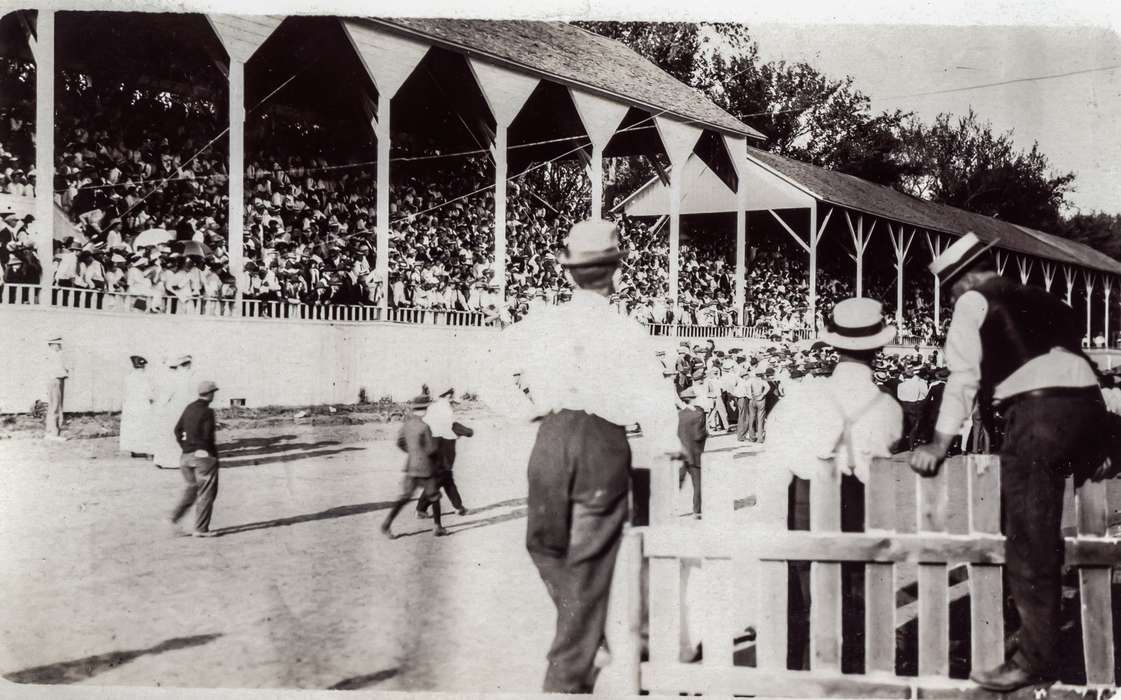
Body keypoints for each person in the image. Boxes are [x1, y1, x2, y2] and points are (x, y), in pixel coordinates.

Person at [911, 233, 1111, 693]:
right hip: (1090, 409)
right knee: (1039, 527)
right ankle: (1039, 624)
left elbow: (963, 378)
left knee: (1028, 538)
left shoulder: (970, 303)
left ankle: (1036, 659)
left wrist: (939, 444)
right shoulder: (1048, 299)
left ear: (959, 284)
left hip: (1038, 416)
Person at [486, 219, 679, 694]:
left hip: (551, 438)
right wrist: (665, 444)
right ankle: (571, 668)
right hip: (602, 443)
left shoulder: (540, 322)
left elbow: (486, 374)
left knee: (544, 545)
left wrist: (528, 412)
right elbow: (656, 401)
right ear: (615, 274)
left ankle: (577, 647)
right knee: (590, 564)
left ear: (568, 274)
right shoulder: (628, 329)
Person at [766, 297, 902, 672]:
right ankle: (852, 670)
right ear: (877, 347)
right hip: (857, 502)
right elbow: (880, 461)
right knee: (856, 591)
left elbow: (774, 462)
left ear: (833, 344)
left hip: (804, 501)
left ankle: (803, 669)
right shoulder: (888, 407)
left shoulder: (800, 396)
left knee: (806, 593)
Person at [381, 394, 447, 539]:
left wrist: (411, 452)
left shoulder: (407, 425)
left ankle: (386, 524)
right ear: (424, 410)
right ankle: (438, 527)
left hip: (411, 467)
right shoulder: (425, 426)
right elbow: (431, 449)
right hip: (426, 469)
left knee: (404, 497)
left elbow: (399, 442)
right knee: (434, 496)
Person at [170, 380, 221, 537]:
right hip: (203, 458)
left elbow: (177, 430)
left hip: (185, 457)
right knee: (206, 492)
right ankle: (201, 529)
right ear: (211, 394)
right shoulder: (208, 412)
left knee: (191, 490)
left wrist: (186, 447)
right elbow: (207, 436)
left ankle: (174, 519)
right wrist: (210, 455)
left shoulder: (189, 408)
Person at [417, 387, 474, 519]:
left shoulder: (432, 408)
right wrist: (468, 432)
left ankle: (458, 507)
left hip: (433, 446)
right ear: (447, 395)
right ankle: (422, 509)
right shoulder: (445, 408)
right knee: (441, 479)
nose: (451, 397)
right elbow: (452, 425)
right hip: (444, 447)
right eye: (450, 395)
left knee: (445, 478)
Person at [153, 355, 196, 470]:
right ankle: (177, 461)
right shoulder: (190, 378)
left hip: (173, 409)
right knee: (181, 435)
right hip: (184, 409)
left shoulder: (175, 377)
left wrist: (158, 408)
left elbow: (165, 396)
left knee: (170, 434)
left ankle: (165, 460)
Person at [676, 385, 708, 519]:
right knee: (697, 484)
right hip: (695, 454)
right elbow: (698, 436)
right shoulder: (698, 415)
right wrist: (705, 434)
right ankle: (697, 511)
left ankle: (669, 508)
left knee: (677, 483)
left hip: (681, 453)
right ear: (693, 399)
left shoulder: (678, 415)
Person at [119, 355, 155, 457]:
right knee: (144, 427)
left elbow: (124, 394)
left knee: (132, 427)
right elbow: (150, 394)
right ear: (143, 366)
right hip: (142, 405)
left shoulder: (128, 378)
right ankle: (146, 451)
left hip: (130, 406)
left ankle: (134, 450)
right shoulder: (146, 378)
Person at [896, 367, 929, 450]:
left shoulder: (900, 385)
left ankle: (901, 444)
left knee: (903, 425)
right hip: (914, 405)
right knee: (914, 426)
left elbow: (899, 396)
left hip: (904, 405)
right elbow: (925, 394)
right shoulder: (920, 383)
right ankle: (911, 445)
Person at [44, 336, 68, 441]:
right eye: (58, 344)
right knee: (56, 406)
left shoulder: (55, 355)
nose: (60, 346)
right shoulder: (54, 356)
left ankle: (51, 431)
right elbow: (60, 371)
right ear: (53, 345)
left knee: (54, 406)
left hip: (56, 380)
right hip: (55, 380)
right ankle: (53, 433)